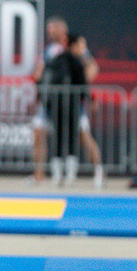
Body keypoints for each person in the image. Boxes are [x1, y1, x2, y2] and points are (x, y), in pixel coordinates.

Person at [31, 17, 104, 187]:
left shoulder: (75, 49)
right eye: (48, 30)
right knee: (38, 133)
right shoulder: (50, 51)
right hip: (52, 102)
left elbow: (92, 68)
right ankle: (39, 174)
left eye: (52, 29)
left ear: (61, 29)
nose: (49, 32)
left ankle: (99, 172)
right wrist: (43, 91)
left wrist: (77, 87)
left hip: (72, 102)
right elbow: (39, 73)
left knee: (83, 136)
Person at [40, 34, 88, 186]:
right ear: (73, 45)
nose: (83, 49)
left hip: (66, 104)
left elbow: (82, 85)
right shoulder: (63, 60)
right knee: (64, 136)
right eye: (81, 45)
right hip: (61, 104)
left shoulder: (71, 61)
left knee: (66, 136)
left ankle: (66, 174)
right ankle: (60, 174)